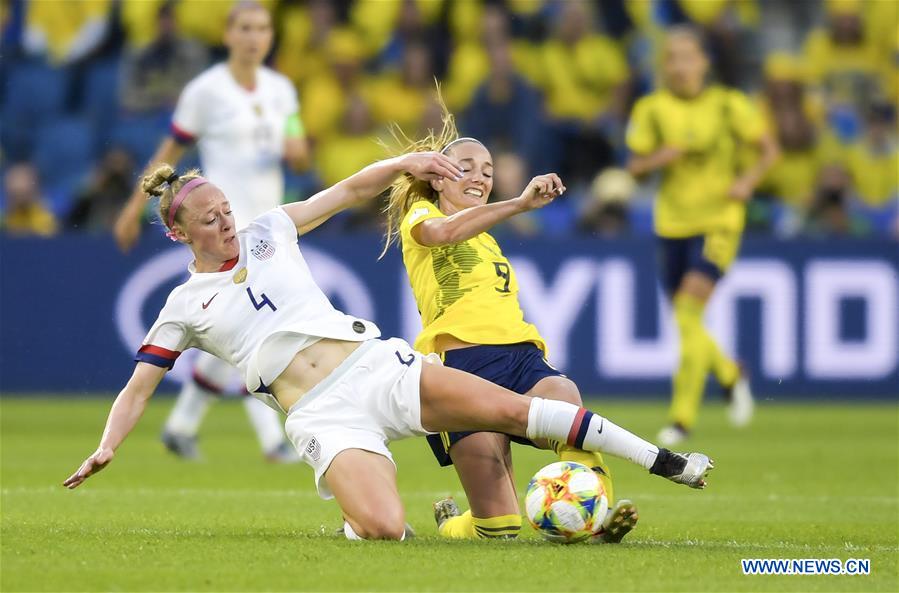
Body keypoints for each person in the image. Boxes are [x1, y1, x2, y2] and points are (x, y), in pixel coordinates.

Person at [64, 154, 715, 541]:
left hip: (376, 366)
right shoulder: (181, 306)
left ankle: (664, 460)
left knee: (516, 410)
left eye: (227, 209)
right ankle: (360, 515)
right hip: (321, 413)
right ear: (179, 235)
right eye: (210, 220)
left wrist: (403, 165)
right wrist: (108, 443)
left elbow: (346, 191)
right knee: (381, 528)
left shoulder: (268, 231)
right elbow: (139, 384)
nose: (227, 222)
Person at [380, 115, 635, 542]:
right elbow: (441, 233)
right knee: (499, 527)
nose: (479, 177)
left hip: (519, 358)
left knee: (568, 407)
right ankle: (452, 524)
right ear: (438, 178)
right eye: (465, 166)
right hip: (459, 370)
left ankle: (596, 521)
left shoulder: (488, 237)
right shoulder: (421, 213)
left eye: (488, 171)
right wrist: (518, 204)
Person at [113, 1, 310, 463]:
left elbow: (297, 145)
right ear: (228, 35)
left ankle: (182, 427)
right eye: (245, 28)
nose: (254, 37)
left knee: (233, 333)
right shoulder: (206, 91)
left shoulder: (282, 90)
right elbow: (170, 148)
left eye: (262, 28)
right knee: (254, 327)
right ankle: (273, 440)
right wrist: (132, 206)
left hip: (269, 228)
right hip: (223, 226)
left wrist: (296, 141)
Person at [626, 27, 779, 446]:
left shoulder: (728, 105)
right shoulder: (652, 108)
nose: (679, 66)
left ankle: (681, 419)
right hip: (671, 223)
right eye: (671, 58)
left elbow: (769, 149)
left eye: (687, 57)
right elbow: (634, 166)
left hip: (718, 221)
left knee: (689, 314)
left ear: (703, 62)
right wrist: (663, 156)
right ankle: (731, 373)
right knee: (685, 318)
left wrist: (747, 181)